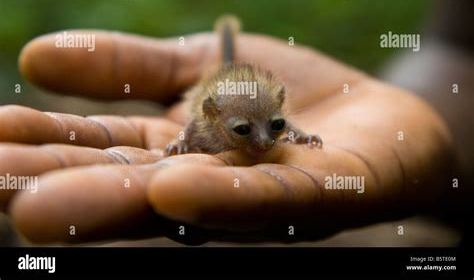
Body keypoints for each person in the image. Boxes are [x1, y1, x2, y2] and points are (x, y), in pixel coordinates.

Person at [0, 30, 454, 244]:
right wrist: (180, 144)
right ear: (216, 121)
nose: (261, 141)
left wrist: (297, 134)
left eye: (274, 127)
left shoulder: (268, 116)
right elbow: (190, 131)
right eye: (243, 131)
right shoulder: (204, 122)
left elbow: (277, 125)